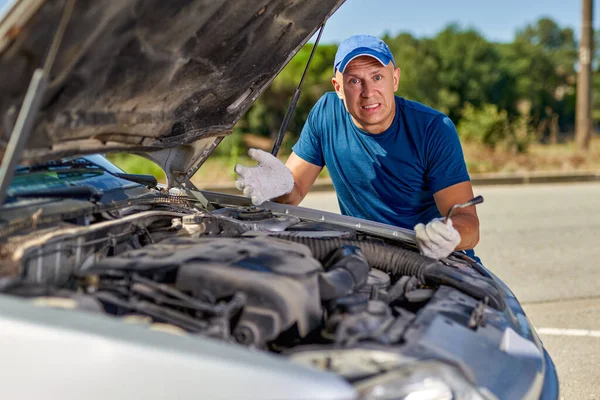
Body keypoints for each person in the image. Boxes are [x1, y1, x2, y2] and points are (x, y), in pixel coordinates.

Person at [234, 34, 480, 262]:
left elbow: (468, 223)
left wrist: (452, 236)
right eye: (354, 81)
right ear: (338, 88)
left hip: (436, 258)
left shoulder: (433, 128)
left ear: (394, 79)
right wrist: (281, 185)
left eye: (377, 77)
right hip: (368, 255)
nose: (368, 92)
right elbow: (294, 191)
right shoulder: (326, 114)